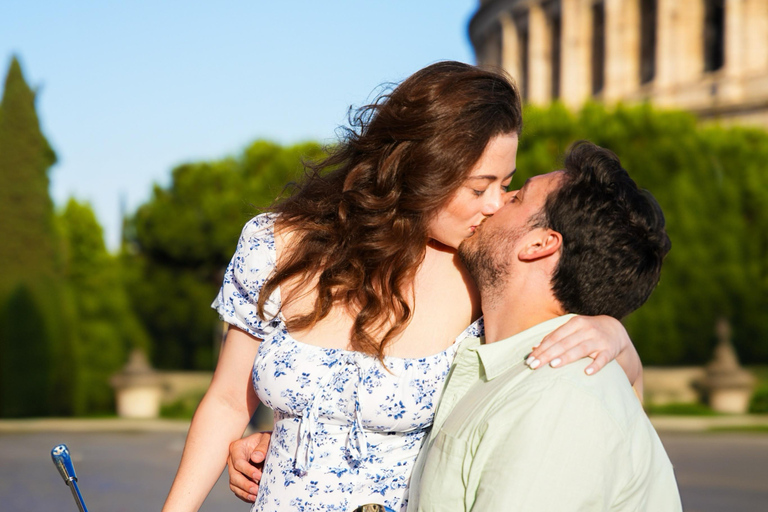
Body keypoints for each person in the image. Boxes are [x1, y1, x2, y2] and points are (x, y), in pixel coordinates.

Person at [162, 62, 643, 512]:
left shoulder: (477, 274)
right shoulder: (273, 246)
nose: (496, 204)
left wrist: (612, 333)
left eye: (506, 183)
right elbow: (227, 401)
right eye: (480, 187)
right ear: (420, 170)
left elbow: (558, 377)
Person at [408, 141, 681, 511]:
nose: (493, 203)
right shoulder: (513, 368)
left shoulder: (560, 397)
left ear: (540, 243)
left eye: (517, 198)